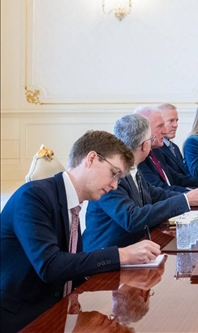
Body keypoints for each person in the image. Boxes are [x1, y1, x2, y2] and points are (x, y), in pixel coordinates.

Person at [0, 131, 161, 333]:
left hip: (59, 312)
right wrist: (121, 255)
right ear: (91, 158)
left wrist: (129, 273)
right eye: (114, 173)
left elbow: (71, 266)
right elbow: (50, 266)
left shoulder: (71, 203)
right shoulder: (34, 196)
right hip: (22, 320)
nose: (114, 185)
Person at [83, 115, 198, 251]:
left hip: (136, 248)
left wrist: (193, 195)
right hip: (106, 256)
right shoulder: (112, 175)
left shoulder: (132, 168)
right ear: (145, 145)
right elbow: (131, 219)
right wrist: (186, 199)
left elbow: (156, 194)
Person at [153, 103, 188, 176]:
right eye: (171, 120)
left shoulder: (175, 147)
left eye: (176, 120)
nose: (176, 125)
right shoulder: (155, 149)